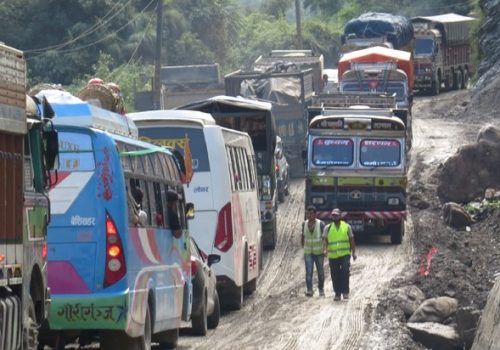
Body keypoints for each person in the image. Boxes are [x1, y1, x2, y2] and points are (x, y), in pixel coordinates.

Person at [323, 208, 357, 301]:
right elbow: (325, 240)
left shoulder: (347, 227)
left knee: (345, 271)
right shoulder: (328, 228)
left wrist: (353, 252)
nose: (335, 217)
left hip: (345, 254)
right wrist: (325, 249)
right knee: (335, 274)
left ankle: (345, 292)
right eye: (333, 215)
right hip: (333, 255)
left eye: (337, 215)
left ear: (340, 216)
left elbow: (351, 240)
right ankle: (337, 293)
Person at [302, 205, 326, 297]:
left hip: (319, 252)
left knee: (320, 272)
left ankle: (321, 289)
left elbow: (324, 238)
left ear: (315, 214)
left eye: (311, 213)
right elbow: (303, 236)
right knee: (309, 272)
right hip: (308, 252)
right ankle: (309, 290)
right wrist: (303, 246)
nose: (309, 215)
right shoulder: (304, 224)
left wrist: (325, 249)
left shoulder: (321, 224)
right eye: (307, 213)